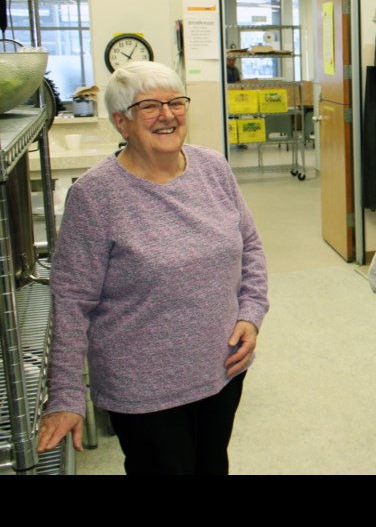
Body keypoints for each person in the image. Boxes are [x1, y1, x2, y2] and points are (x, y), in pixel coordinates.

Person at [37, 61, 269, 475]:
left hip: (221, 369)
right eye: (149, 106)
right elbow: (72, 300)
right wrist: (67, 395)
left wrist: (251, 315)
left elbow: (249, 246)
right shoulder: (96, 195)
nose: (167, 115)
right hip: (144, 388)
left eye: (176, 102)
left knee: (213, 465)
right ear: (121, 122)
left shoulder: (213, 168)